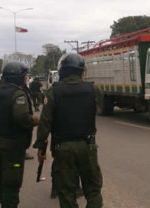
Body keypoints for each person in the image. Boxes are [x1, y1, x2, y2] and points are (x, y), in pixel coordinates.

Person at [33, 53, 103, 208]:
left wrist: (41, 147)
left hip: (63, 148)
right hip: (88, 146)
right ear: (81, 71)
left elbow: (45, 123)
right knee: (93, 190)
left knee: (66, 191)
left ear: (62, 70)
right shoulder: (93, 90)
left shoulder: (53, 92)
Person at [0, 61, 39, 208]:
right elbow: (21, 117)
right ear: (18, 77)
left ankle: (4, 203)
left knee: (3, 178)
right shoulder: (18, 94)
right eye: (24, 76)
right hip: (12, 149)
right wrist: (33, 121)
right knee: (12, 184)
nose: (26, 78)